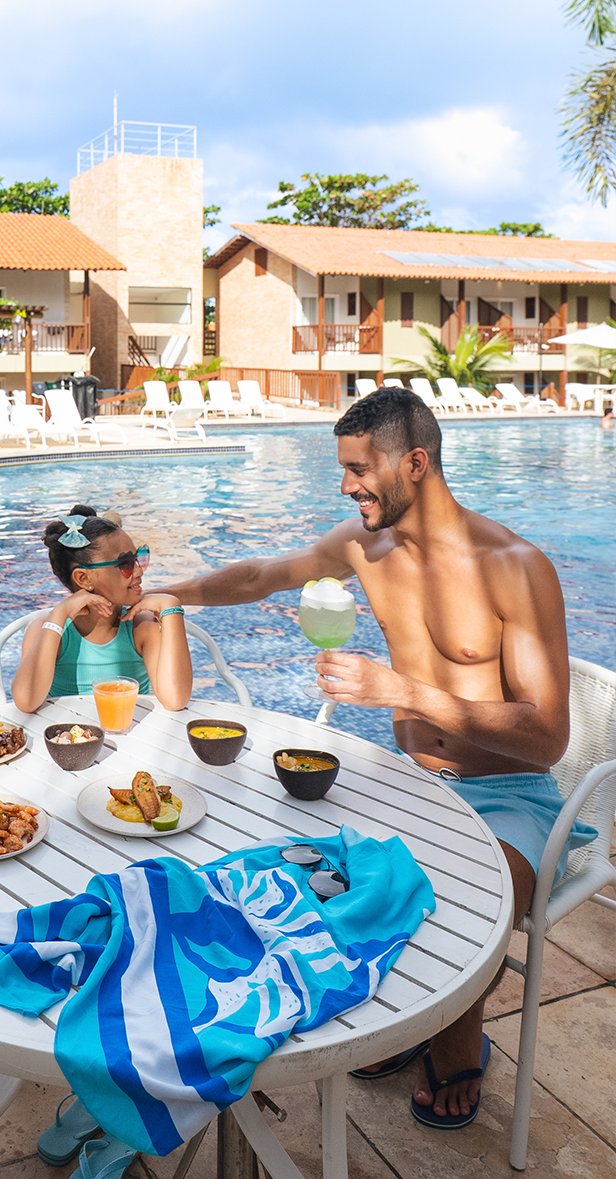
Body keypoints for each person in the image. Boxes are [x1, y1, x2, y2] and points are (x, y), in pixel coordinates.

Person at [159, 386, 595, 1130]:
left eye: (359, 468)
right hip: (401, 782)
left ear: (415, 463)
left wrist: (403, 690)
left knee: (467, 921)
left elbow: (547, 737)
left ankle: (458, 1039)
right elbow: (266, 574)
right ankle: (391, 1017)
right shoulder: (366, 546)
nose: (345, 485)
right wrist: (169, 593)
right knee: (274, 866)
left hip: (507, 795)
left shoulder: (515, 567)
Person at [11, 504, 192, 713]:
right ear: (83, 578)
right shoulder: (48, 629)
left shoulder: (140, 628)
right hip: (65, 737)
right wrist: (59, 614)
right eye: (124, 563)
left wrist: (172, 607)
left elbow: (176, 699)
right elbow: (25, 701)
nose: (138, 570)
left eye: (138, 558)